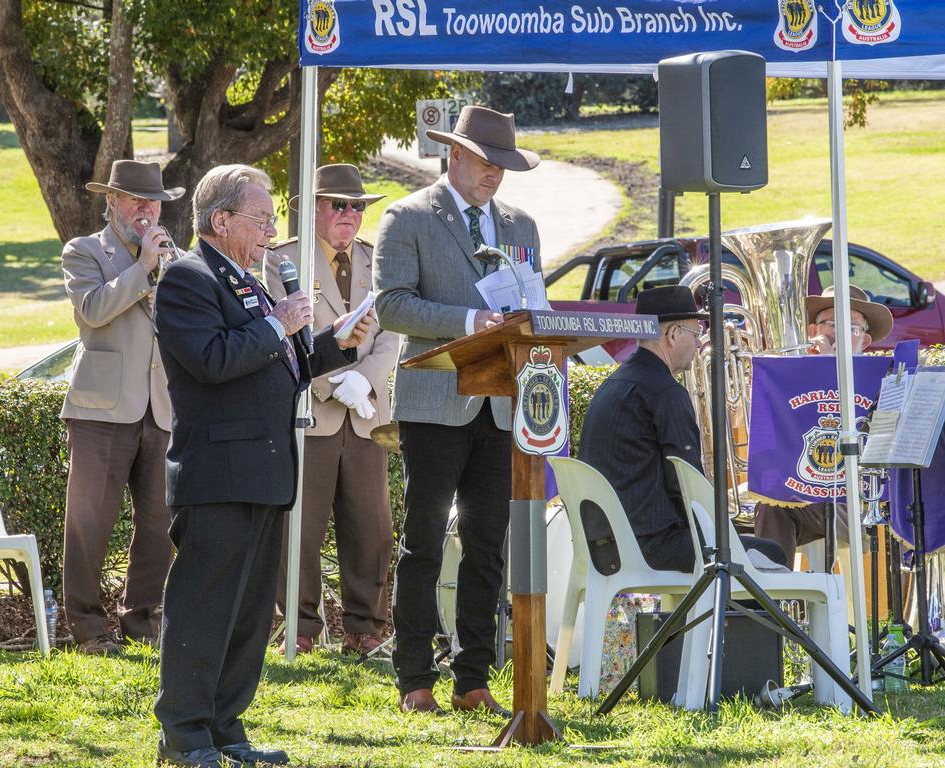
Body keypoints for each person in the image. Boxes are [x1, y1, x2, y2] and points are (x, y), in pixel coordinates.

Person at [152, 164, 371, 768]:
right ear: (221, 221)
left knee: (249, 612)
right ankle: (184, 733)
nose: (273, 229)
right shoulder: (189, 279)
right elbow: (213, 361)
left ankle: (226, 727)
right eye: (263, 218)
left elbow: (286, 366)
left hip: (266, 469)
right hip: (218, 472)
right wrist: (281, 322)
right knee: (205, 605)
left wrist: (336, 344)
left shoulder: (251, 280)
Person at [374, 105, 541, 716]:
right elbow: (391, 306)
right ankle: (414, 678)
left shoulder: (521, 224)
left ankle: (473, 678)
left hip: (501, 405)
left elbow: (532, 302)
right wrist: (470, 322)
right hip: (435, 403)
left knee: (488, 544)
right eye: (486, 162)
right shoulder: (408, 217)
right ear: (454, 155)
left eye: (504, 165)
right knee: (422, 543)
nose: (495, 174)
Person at [267, 164, 398, 656]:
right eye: (338, 204)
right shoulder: (283, 262)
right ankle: (300, 627)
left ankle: (365, 629)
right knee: (300, 527)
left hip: (366, 413)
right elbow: (282, 332)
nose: (350, 214)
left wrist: (362, 379)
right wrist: (329, 383)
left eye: (358, 206)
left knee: (372, 527)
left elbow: (392, 330)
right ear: (313, 209)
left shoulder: (377, 261)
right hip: (310, 411)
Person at [60, 159, 182, 655]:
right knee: (90, 522)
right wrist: (142, 269)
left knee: (159, 523)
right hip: (100, 410)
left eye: (152, 202)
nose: (146, 210)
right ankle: (88, 628)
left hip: (163, 408)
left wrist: (166, 269)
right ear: (112, 202)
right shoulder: (85, 251)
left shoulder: (174, 255)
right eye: (135, 200)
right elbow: (92, 312)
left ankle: (141, 618)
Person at [579, 286, 788, 573]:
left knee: (745, 548)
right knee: (770, 553)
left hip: (607, 544)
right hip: (650, 546)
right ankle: (729, 620)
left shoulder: (617, 382)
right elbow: (687, 483)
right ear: (673, 334)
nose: (700, 343)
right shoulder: (663, 391)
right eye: (695, 332)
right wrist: (725, 528)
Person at [753, 284, 894, 562]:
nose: (838, 332)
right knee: (770, 506)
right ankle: (773, 598)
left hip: (861, 501)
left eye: (850, 327)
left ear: (864, 341)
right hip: (809, 494)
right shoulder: (790, 378)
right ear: (812, 332)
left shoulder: (883, 378)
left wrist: (832, 367)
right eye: (830, 323)